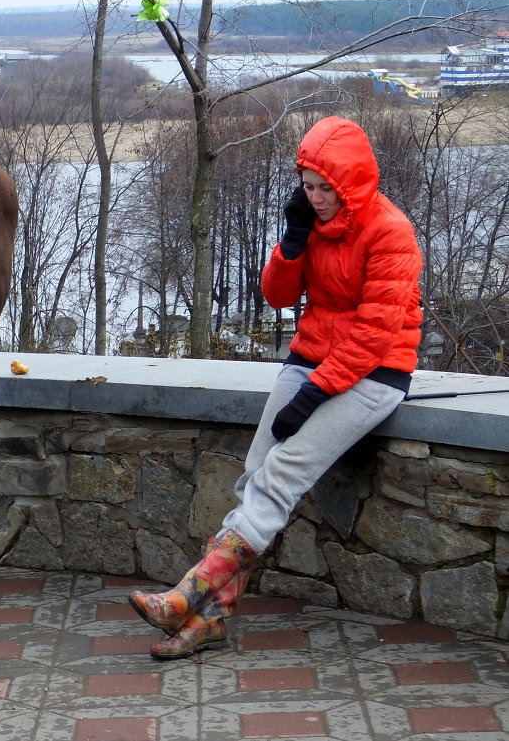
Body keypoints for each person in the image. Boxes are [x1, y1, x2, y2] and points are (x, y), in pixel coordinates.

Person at [129, 115, 423, 659]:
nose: (315, 198)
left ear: (351, 184)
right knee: (253, 478)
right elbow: (278, 297)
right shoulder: (309, 221)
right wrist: (292, 242)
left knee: (281, 476)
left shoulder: (390, 231)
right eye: (308, 187)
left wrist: (314, 395)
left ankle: (184, 597)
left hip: (374, 371)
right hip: (310, 358)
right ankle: (212, 621)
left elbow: (375, 333)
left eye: (325, 190)